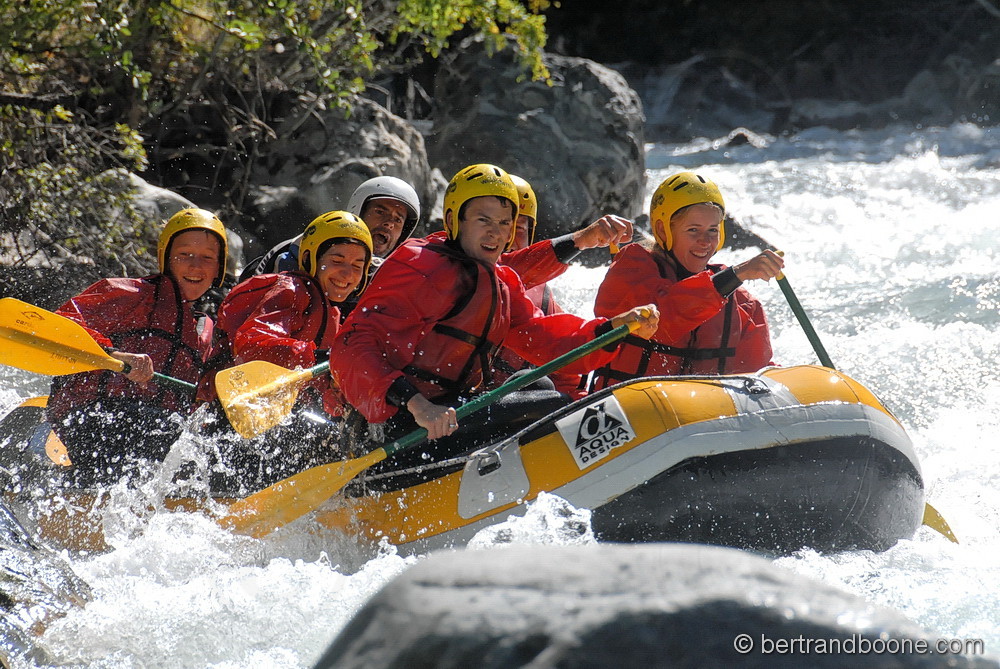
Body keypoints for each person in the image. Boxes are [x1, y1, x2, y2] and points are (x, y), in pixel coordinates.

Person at [329, 163, 658, 477]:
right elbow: (351, 347)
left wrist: (612, 329)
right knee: (550, 403)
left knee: (542, 386)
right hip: (397, 427)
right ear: (453, 220)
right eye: (483, 220)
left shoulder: (499, 281)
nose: (496, 233)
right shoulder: (418, 265)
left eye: (505, 223)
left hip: (448, 412)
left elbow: (544, 337)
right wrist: (417, 406)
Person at [47, 208, 228, 487]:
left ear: (218, 269)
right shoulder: (128, 293)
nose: (196, 266)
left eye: (207, 258)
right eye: (185, 255)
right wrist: (115, 355)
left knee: (209, 448)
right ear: (166, 259)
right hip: (97, 415)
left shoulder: (204, 331)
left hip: (158, 429)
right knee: (148, 429)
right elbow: (57, 329)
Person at [205, 211, 373, 491]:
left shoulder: (331, 313)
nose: (348, 274)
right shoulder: (292, 288)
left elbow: (319, 387)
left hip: (275, 418)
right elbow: (251, 343)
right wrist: (315, 357)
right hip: (236, 416)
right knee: (322, 437)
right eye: (337, 261)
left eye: (358, 265)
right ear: (311, 260)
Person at [592, 171, 784, 389]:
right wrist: (736, 274)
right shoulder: (630, 270)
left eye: (713, 230)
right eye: (693, 230)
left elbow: (757, 375)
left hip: (703, 414)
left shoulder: (741, 301)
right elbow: (664, 319)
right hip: (628, 408)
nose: (705, 241)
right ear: (663, 231)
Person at [491, 174, 595, 398]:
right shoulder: (457, 277)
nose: (507, 239)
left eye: (518, 229)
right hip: (453, 411)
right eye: (500, 225)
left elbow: (565, 374)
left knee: (543, 389)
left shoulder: (543, 297)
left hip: (506, 411)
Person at [239, 175, 420, 280]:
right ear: (358, 211)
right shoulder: (303, 248)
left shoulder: (391, 275)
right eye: (380, 212)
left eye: (398, 220)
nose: (389, 223)